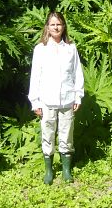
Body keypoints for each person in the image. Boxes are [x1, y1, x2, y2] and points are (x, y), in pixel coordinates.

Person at [28, 11, 84, 184]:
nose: (56, 27)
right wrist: (35, 101)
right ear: (47, 27)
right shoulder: (40, 49)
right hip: (46, 100)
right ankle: (49, 170)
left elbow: (77, 73)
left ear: (64, 26)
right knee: (48, 133)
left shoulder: (70, 48)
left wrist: (78, 95)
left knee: (67, 135)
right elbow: (35, 76)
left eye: (59, 24)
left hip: (67, 99)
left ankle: (66, 170)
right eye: (53, 24)